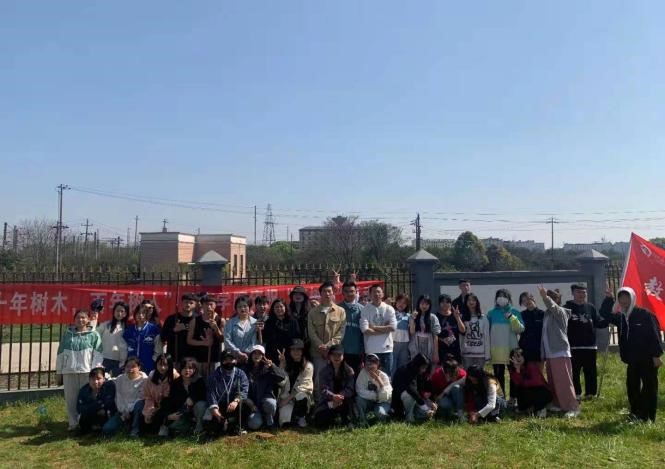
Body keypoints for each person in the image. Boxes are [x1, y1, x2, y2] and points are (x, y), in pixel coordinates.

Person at [600, 286, 663, 422]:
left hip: (648, 358)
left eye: (626, 297)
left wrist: (656, 355)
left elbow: (654, 335)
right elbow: (604, 313)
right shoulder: (621, 317)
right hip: (632, 359)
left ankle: (648, 417)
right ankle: (635, 413)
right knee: (632, 387)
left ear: (633, 298)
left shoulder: (644, 314)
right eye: (621, 298)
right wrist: (609, 299)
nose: (623, 301)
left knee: (649, 387)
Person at [56, 309, 104, 431]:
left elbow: (98, 354)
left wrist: (94, 371)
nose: (80, 320)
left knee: (87, 398)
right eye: (78, 317)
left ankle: (86, 422)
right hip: (69, 372)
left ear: (88, 320)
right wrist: (59, 372)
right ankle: (73, 424)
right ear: (74, 320)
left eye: (83, 317)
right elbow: (60, 354)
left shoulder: (94, 335)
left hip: (86, 372)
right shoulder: (67, 334)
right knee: (71, 399)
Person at [537, 285, 580, 418]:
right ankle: (558, 403)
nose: (551, 299)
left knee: (564, 381)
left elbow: (553, 306)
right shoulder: (547, 314)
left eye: (553, 297)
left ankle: (573, 407)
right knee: (553, 381)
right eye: (549, 296)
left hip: (559, 351)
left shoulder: (561, 312)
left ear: (558, 300)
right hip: (550, 353)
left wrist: (545, 297)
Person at [564, 284, 609, 400]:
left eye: (584, 292)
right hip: (573, 346)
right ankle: (576, 394)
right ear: (573, 293)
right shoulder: (566, 308)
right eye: (578, 292)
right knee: (574, 372)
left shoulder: (590, 307)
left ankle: (590, 393)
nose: (582, 294)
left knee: (591, 371)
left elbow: (598, 323)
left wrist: (610, 319)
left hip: (590, 346)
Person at [487, 289, 524, 406]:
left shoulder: (515, 312)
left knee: (513, 374)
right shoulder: (491, 313)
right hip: (496, 350)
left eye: (504, 296)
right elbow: (486, 331)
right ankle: (501, 399)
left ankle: (513, 398)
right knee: (498, 375)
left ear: (509, 298)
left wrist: (511, 317)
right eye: (499, 296)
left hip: (512, 349)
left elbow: (520, 329)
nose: (501, 298)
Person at [204, 349, 250, 435]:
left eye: (231, 359)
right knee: (213, 430)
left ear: (235, 360)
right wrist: (214, 409)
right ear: (221, 361)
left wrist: (236, 401)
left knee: (243, 405)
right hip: (219, 405)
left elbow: (244, 389)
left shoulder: (240, 374)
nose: (229, 362)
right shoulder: (214, 375)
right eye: (226, 360)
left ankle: (239, 427)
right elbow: (211, 393)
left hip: (234, 404)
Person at [243, 345, 288, 430]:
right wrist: (249, 402)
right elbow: (242, 389)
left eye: (259, 354)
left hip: (266, 400)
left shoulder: (268, 368)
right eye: (255, 353)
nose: (257, 355)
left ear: (263, 356)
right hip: (253, 404)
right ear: (251, 355)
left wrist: (272, 366)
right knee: (254, 425)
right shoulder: (245, 369)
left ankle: (269, 421)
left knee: (270, 404)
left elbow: (282, 377)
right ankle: (261, 419)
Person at [307, 281, 347, 377]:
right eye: (324, 291)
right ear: (320, 293)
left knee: (335, 379)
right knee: (318, 379)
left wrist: (329, 346)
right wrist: (321, 346)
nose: (327, 294)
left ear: (333, 293)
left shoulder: (341, 311)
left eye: (329, 291)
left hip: (334, 353)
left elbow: (341, 332)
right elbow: (311, 332)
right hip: (317, 353)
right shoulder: (312, 313)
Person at [103, 356, 147, 437]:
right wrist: (124, 411)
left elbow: (140, 398)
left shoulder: (144, 381)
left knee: (140, 404)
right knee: (107, 429)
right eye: (128, 366)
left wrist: (128, 410)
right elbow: (118, 395)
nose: (130, 369)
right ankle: (125, 425)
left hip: (135, 412)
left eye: (133, 366)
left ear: (139, 367)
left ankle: (135, 430)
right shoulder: (120, 379)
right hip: (122, 412)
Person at [313, 344, 355, 429]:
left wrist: (339, 396)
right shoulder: (324, 371)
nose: (336, 357)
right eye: (334, 355)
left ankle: (346, 419)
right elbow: (323, 389)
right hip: (329, 402)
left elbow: (350, 389)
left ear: (343, 356)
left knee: (347, 405)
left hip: (344, 401)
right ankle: (335, 419)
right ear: (329, 356)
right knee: (320, 423)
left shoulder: (349, 371)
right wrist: (333, 397)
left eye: (339, 355)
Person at [360, 284, 397, 376]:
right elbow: (365, 330)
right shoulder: (365, 309)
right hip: (371, 349)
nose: (376, 294)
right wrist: (385, 328)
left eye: (378, 292)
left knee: (386, 377)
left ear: (382, 294)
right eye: (374, 292)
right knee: (371, 377)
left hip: (386, 349)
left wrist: (374, 327)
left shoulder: (389, 309)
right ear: (370, 295)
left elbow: (393, 327)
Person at [278, 339, 314, 428]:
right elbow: (281, 382)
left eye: (298, 349)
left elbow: (304, 386)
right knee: (285, 423)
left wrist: (287, 399)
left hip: (298, 396)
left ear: (302, 351)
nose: (296, 352)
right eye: (293, 349)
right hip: (286, 397)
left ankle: (302, 416)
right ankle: (293, 416)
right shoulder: (286, 364)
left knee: (301, 395)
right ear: (290, 351)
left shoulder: (308, 366)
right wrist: (281, 364)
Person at [167, 357, 208, 435]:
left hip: (197, 410)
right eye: (184, 368)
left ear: (194, 369)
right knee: (173, 427)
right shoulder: (175, 383)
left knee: (201, 404)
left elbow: (203, 395)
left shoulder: (199, 381)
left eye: (190, 368)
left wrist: (192, 399)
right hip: (182, 411)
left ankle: (199, 428)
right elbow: (172, 400)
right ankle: (189, 427)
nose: (187, 370)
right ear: (180, 369)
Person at [142, 353, 180, 437]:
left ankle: (166, 425)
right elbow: (148, 396)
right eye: (160, 364)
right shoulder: (151, 378)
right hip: (154, 405)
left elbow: (176, 397)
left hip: (170, 406)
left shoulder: (175, 377)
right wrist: (149, 411)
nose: (162, 368)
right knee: (146, 420)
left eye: (165, 365)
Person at [392, 353, 436, 423]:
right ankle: (409, 417)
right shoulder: (405, 370)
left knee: (428, 411)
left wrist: (429, 402)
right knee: (408, 396)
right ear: (417, 365)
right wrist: (424, 406)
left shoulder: (418, 372)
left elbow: (419, 390)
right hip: (399, 402)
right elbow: (412, 390)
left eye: (425, 368)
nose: (424, 370)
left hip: (414, 400)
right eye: (423, 368)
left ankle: (416, 414)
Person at [187, 295, 225, 377]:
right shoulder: (195, 321)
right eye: (206, 304)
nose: (209, 307)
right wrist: (204, 343)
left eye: (211, 304)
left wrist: (216, 328)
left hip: (215, 358)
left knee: (214, 381)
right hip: (199, 358)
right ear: (202, 305)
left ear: (215, 305)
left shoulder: (220, 320)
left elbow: (222, 339)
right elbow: (189, 340)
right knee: (199, 381)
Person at [508, 348, 552, 417]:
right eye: (514, 357)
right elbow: (517, 383)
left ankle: (541, 408)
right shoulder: (513, 369)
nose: (517, 359)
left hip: (543, 392)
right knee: (519, 389)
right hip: (529, 391)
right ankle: (528, 407)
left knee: (537, 389)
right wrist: (518, 370)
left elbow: (536, 382)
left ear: (524, 356)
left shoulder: (531, 365)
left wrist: (523, 383)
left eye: (519, 356)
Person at [354, 353, 392, 427]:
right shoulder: (362, 374)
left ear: (377, 364)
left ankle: (387, 415)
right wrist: (376, 395)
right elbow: (360, 391)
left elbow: (386, 395)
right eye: (367, 364)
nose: (369, 367)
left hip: (382, 402)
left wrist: (378, 379)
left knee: (380, 414)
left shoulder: (384, 376)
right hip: (369, 401)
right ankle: (363, 420)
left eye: (371, 364)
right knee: (359, 399)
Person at [124, 302, 162, 374]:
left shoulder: (154, 329)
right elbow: (124, 348)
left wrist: (153, 361)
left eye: (143, 313)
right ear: (135, 314)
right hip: (132, 366)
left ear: (147, 315)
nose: (140, 315)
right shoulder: (129, 330)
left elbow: (158, 349)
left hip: (148, 365)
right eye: (138, 313)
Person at [76, 366, 117, 433]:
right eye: (92, 379)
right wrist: (98, 406)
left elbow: (108, 403)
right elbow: (79, 408)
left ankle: (99, 429)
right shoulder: (84, 390)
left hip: (107, 414)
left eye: (98, 378)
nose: (95, 382)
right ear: (89, 380)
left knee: (105, 413)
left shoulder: (109, 386)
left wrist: (90, 407)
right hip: (89, 415)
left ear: (104, 379)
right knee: (83, 416)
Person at [161, 293, 198, 364]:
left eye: (191, 303)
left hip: (192, 359)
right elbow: (163, 337)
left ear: (195, 305)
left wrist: (186, 327)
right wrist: (174, 330)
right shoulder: (171, 319)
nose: (188, 305)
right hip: (174, 357)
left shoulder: (198, 319)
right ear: (181, 303)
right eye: (186, 302)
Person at [263, 298, 301, 363]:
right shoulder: (268, 322)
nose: (279, 309)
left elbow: (297, 337)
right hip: (273, 354)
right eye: (276, 307)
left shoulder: (293, 321)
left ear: (285, 307)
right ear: (273, 309)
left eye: (281, 306)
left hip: (290, 354)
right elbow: (265, 339)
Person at [98, 301, 129, 377]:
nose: (119, 313)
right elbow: (95, 336)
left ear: (126, 314)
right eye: (117, 310)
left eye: (122, 311)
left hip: (119, 362)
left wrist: (123, 363)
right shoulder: (105, 325)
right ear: (114, 311)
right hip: (104, 359)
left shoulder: (128, 328)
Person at [339, 281, 364, 374]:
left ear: (356, 292)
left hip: (358, 352)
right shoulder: (337, 308)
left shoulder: (363, 309)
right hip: (341, 351)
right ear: (342, 292)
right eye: (346, 291)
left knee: (357, 378)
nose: (349, 294)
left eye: (352, 291)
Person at [224, 296, 258, 364]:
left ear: (249, 307)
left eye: (245, 306)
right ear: (236, 309)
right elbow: (227, 340)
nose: (242, 308)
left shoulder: (254, 322)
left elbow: (254, 341)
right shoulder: (230, 322)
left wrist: (246, 353)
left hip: (248, 357)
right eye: (239, 307)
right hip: (233, 358)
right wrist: (238, 353)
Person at [460, 293, 490, 370]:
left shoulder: (483, 318)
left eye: (473, 300)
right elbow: (461, 336)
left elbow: (486, 337)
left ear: (477, 302)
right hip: (467, 354)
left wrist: (487, 355)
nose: (471, 302)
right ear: (466, 302)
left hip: (480, 354)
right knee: (468, 375)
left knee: (479, 375)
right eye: (469, 300)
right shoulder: (462, 317)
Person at [431, 357, 466, 421]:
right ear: (446, 373)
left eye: (457, 373)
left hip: (459, 397)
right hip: (444, 398)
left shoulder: (462, 373)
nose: (456, 376)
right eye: (452, 375)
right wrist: (434, 403)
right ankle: (446, 413)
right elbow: (434, 393)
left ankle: (460, 412)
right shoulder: (436, 375)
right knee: (445, 404)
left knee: (456, 387)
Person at [408, 295, 441, 364]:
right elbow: (412, 332)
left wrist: (436, 353)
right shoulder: (413, 316)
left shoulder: (433, 317)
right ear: (418, 304)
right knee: (416, 365)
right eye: (422, 303)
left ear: (430, 305)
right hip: (416, 345)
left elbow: (435, 336)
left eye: (427, 304)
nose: (424, 306)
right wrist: (412, 319)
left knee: (428, 365)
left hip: (429, 345)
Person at [435, 294, 465, 362]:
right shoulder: (435, 317)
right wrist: (442, 340)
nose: (445, 304)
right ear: (439, 303)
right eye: (443, 302)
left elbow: (463, 331)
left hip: (455, 350)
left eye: (447, 302)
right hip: (441, 350)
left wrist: (457, 318)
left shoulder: (455, 315)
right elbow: (433, 335)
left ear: (450, 304)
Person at [518, 292, 545, 364]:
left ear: (533, 298)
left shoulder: (543, 314)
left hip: (539, 349)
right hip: (525, 349)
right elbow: (519, 331)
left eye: (527, 298)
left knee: (539, 370)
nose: (527, 302)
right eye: (524, 301)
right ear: (522, 304)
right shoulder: (521, 315)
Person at [392, 294, 412, 377]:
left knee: (403, 366)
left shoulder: (409, 316)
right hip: (393, 343)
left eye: (404, 303)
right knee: (392, 365)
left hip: (405, 344)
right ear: (396, 302)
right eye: (400, 301)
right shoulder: (391, 313)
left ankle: (401, 383)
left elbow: (411, 331)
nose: (401, 304)